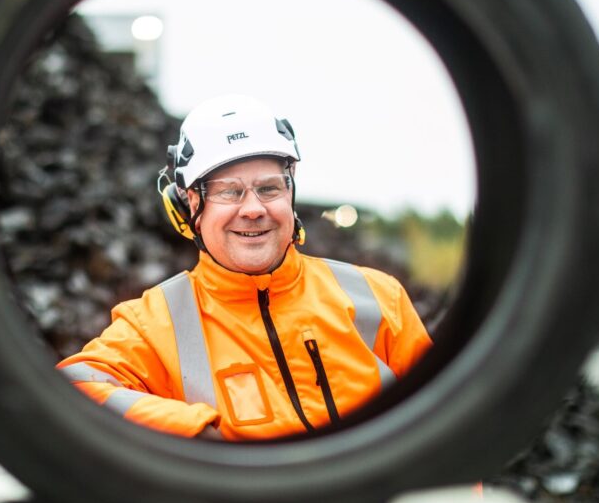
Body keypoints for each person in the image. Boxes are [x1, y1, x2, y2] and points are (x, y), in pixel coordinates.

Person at [57, 94, 432, 441]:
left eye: (269, 189)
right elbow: (73, 390)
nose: (253, 209)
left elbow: (440, 423)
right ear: (190, 204)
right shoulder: (155, 322)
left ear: (291, 193)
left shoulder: (377, 297)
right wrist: (196, 432)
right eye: (229, 191)